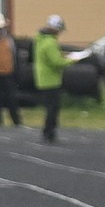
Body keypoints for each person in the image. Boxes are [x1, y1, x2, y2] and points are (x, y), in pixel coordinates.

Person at [34, 15, 70, 144]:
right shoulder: (50, 43)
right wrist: (71, 60)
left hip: (43, 78)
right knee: (53, 108)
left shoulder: (40, 40)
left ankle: (48, 131)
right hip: (51, 79)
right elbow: (56, 62)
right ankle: (49, 132)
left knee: (50, 107)